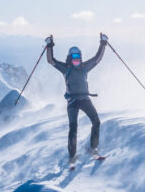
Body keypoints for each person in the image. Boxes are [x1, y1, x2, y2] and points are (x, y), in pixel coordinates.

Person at [46, 33, 108, 165]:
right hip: (72, 101)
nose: (76, 59)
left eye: (78, 57)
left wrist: (103, 43)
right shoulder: (65, 68)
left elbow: (98, 59)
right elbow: (51, 60)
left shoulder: (85, 67)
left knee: (96, 121)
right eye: (74, 57)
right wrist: (49, 45)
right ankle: (72, 155)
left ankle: (93, 148)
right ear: (69, 58)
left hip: (85, 99)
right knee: (73, 128)